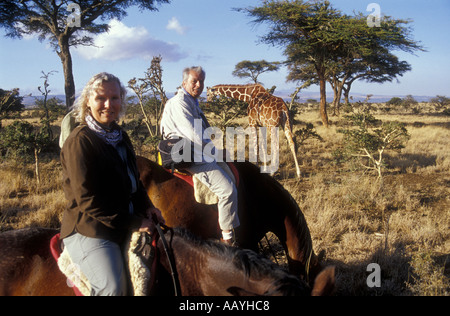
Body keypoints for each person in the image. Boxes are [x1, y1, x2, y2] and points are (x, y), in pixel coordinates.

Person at [60, 72, 165, 296]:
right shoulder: (80, 141)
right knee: (112, 289)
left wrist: (148, 207)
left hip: (122, 220)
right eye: (100, 98)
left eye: (115, 98)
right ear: (88, 101)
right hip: (90, 229)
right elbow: (88, 201)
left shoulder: (119, 136)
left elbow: (133, 182)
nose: (109, 104)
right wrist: (135, 222)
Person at [160, 66, 240, 245]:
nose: (198, 85)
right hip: (188, 155)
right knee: (227, 191)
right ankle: (227, 238)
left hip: (196, 151)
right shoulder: (179, 103)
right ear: (184, 82)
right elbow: (194, 135)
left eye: (201, 81)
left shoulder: (192, 102)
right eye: (194, 81)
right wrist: (215, 152)